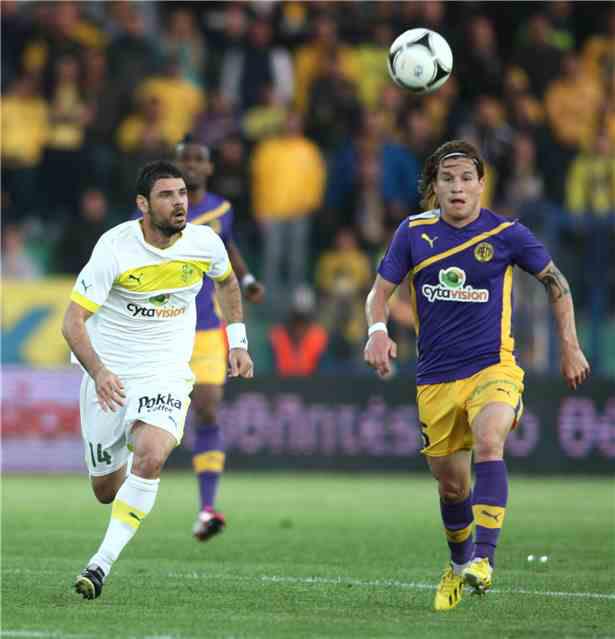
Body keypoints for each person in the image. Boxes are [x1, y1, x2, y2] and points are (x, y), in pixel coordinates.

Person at [364, 140, 590, 611]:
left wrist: (570, 346)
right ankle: (459, 562)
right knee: (452, 487)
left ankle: (484, 560)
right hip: (436, 379)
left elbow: (557, 284)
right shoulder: (413, 233)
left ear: (481, 184)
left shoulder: (508, 234)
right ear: (434, 187)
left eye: (467, 178)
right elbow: (379, 293)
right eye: (448, 179)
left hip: (494, 367)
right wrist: (378, 332)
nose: (458, 187)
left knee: (489, 440)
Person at [62, 160, 254, 600]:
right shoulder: (114, 248)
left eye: (182, 193)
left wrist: (237, 342)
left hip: (165, 372)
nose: (179, 202)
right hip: (110, 376)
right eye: (167, 195)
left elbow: (227, 283)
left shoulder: (204, 242)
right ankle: (132, 441)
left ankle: (100, 564)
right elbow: (72, 323)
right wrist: (99, 371)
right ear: (143, 205)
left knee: (151, 457)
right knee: (106, 490)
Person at [173, 135, 264, 542]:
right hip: (163, 327)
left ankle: (207, 508)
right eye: (185, 158)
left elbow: (228, 250)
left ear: (209, 167)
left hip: (207, 329)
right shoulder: (158, 208)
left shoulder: (221, 210)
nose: (191, 164)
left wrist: (247, 279)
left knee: (207, 408)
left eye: (198, 158)